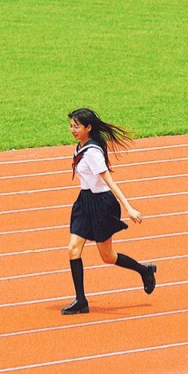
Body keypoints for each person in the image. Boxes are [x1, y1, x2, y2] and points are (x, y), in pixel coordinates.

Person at [63, 108, 157, 316]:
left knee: (107, 256)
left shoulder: (93, 153)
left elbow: (109, 181)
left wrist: (129, 207)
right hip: (84, 202)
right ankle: (81, 301)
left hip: (102, 204)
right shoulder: (81, 147)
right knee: (73, 250)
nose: (72, 129)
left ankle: (144, 270)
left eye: (76, 126)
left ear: (88, 128)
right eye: (71, 125)